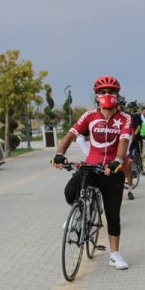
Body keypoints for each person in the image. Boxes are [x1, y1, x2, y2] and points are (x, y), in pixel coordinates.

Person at [52, 75, 131, 270]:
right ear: (96, 95)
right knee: (70, 191)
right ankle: (80, 212)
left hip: (113, 170)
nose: (107, 95)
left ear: (117, 95)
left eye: (111, 91)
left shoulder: (124, 118)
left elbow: (123, 141)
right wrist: (60, 154)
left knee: (113, 214)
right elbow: (71, 135)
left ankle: (114, 255)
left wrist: (118, 161)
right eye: (103, 91)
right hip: (92, 166)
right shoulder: (89, 116)